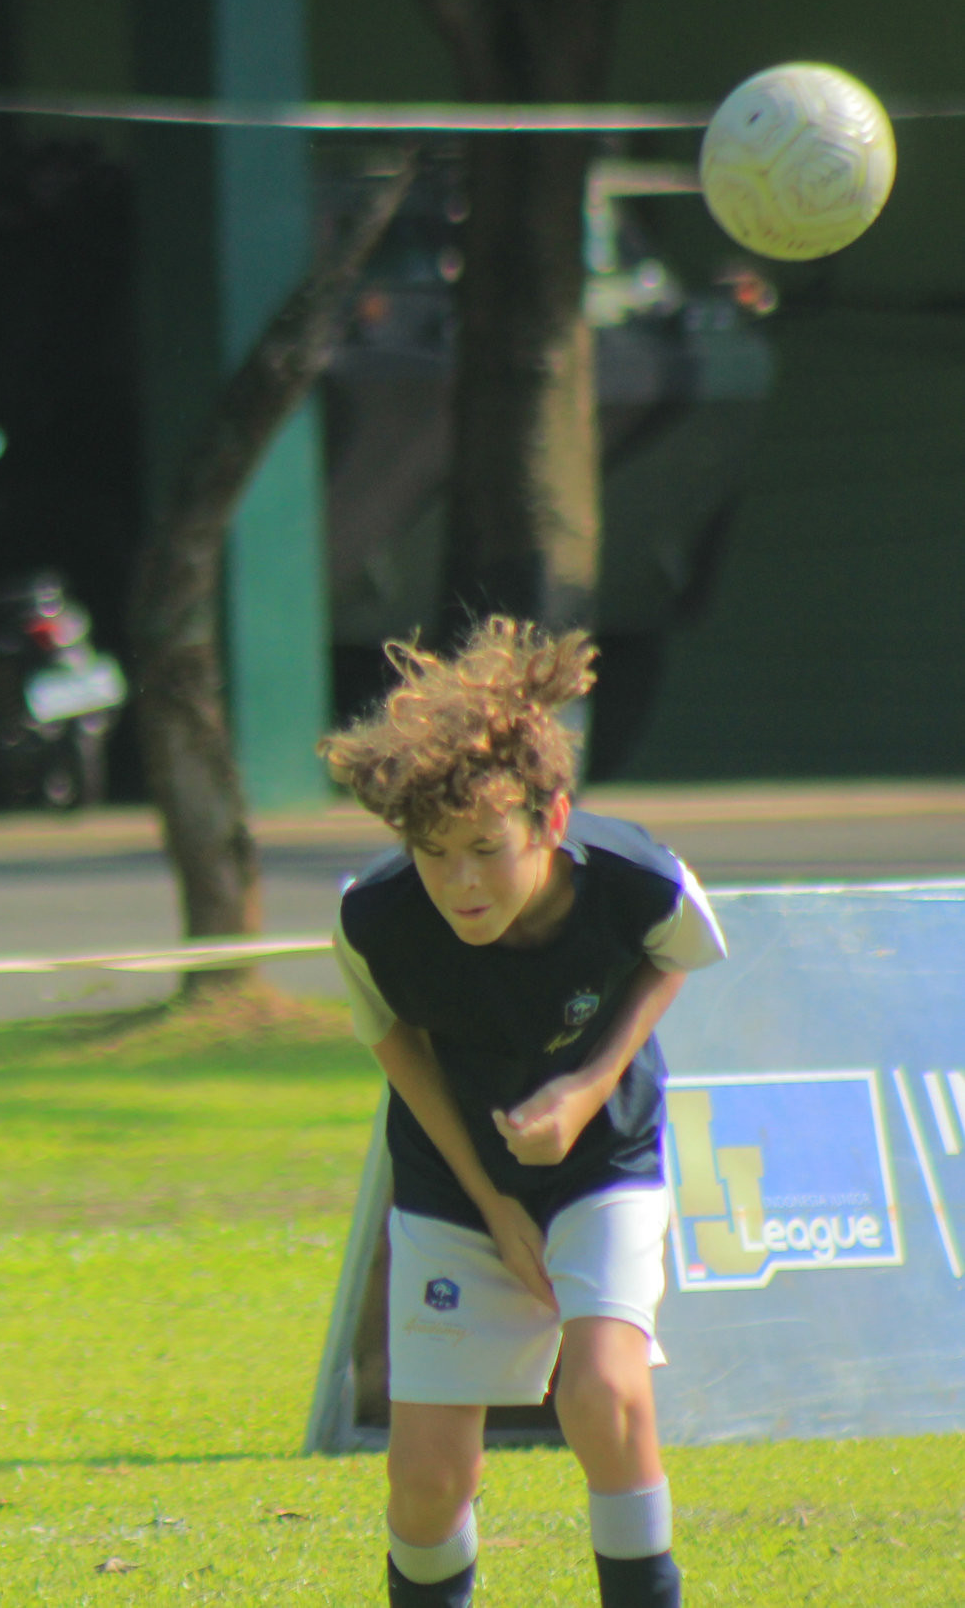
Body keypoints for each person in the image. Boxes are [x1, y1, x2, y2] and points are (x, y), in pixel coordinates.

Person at [318, 619, 725, 1608]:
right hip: (451, 1183)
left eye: (484, 849)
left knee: (603, 1390)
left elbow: (671, 960)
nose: (458, 881)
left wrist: (584, 1089)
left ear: (549, 818)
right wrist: (493, 1206)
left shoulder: (634, 879)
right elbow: (395, 1053)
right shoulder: (373, 921)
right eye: (432, 851)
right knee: (425, 1477)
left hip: (604, 1160)